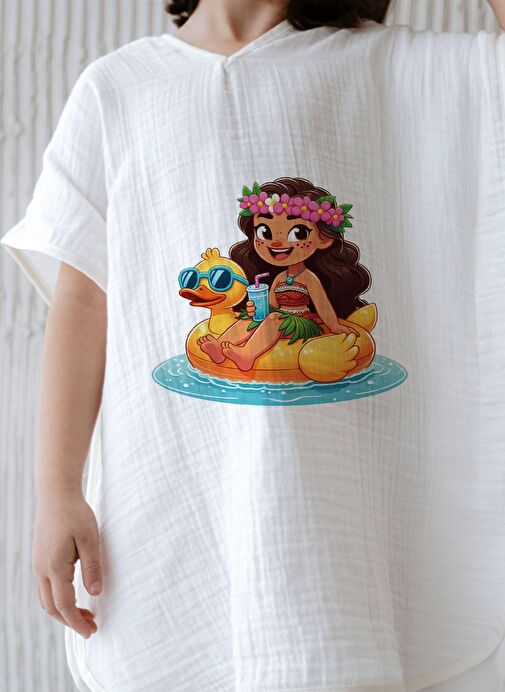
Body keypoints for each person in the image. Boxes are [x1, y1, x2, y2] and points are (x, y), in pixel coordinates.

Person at [1, 1, 505, 691]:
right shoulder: (119, 88)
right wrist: (57, 491)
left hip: (340, 513)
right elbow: (84, 300)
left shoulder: (393, 67)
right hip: (181, 488)